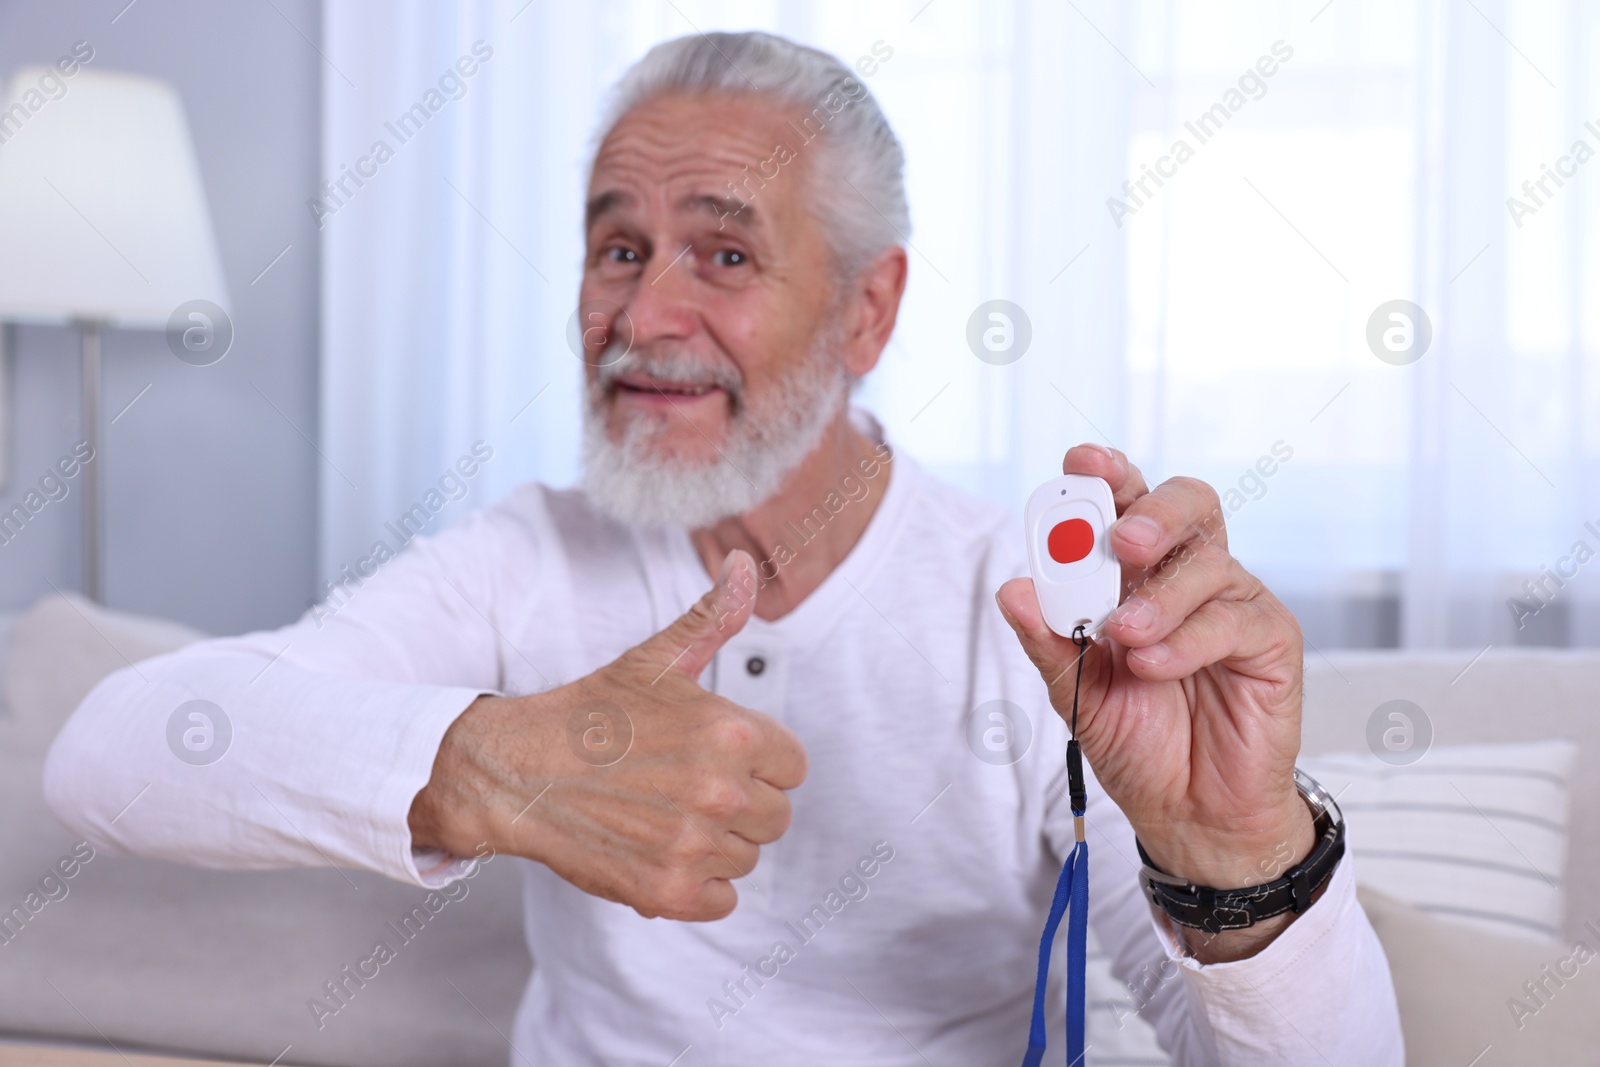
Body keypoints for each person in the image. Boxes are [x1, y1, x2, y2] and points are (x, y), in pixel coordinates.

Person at [45, 30, 1402, 1066]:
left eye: (726, 257)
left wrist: (1239, 860)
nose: (648, 313)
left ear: (869, 311)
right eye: (617, 247)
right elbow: (113, 750)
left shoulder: (1034, 613)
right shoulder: (528, 556)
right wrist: (489, 767)